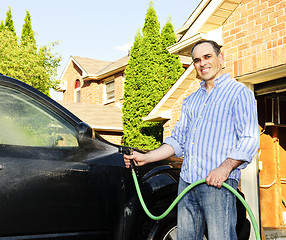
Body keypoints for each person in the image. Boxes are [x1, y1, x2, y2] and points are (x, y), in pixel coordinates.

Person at [124, 40, 260, 240]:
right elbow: (178, 140)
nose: (202, 63)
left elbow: (249, 139)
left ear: (220, 58)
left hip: (218, 185)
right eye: (197, 60)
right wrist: (148, 157)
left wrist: (224, 168)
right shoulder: (191, 101)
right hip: (187, 184)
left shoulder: (239, 94)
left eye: (207, 56)